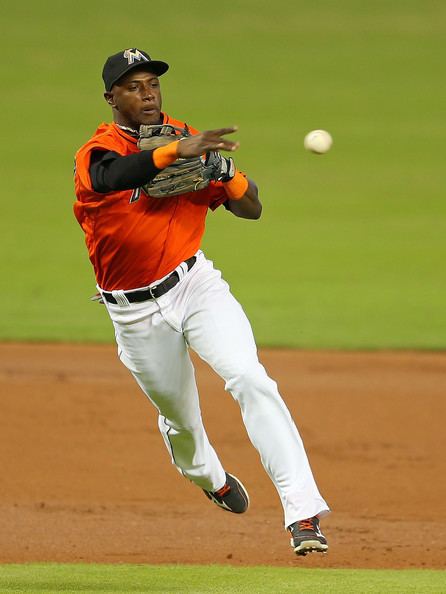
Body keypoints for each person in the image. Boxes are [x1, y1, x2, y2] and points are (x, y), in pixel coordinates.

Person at [73, 48, 329, 557]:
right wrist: (174, 155)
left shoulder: (183, 139)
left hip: (196, 286)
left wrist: (225, 172)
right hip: (134, 312)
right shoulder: (98, 151)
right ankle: (209, 477)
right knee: (182, 421)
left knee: (250, 377)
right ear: (111, 98)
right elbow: (110, 179)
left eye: (152, 84)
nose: (147, 94)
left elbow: (251, 209)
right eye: (133, 86)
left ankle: (303, 513)